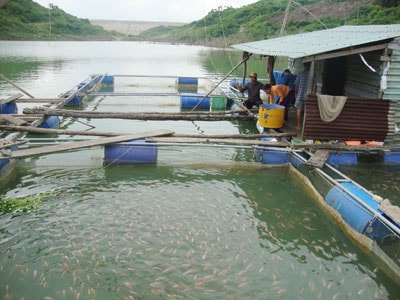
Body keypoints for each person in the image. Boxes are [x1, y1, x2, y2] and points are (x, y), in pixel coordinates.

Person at [294, 63, 317, 131]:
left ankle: (299, 126)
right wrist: (314, 95)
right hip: (308, 96)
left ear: (304, 66)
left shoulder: (300, 73)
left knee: (299, 109)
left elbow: (296, 85)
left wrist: (296, 93)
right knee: (307, 111)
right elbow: (315, 86)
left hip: (300, 95)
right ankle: (306, 127)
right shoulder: (313, 74)